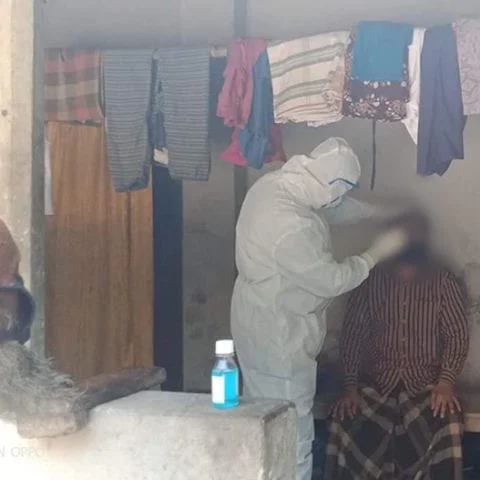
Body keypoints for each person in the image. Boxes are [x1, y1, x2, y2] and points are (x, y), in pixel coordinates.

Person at [231, 137, 410, 480]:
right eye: (341, 191)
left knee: (263, 417)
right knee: (291, 428)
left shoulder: (278, 186)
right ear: (331, 184)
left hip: (258, 313)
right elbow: (333, 280)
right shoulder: (289, 225)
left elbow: (331, 206)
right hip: (279, 332)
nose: (339, 199)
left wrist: (376, 212)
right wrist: (376, 253)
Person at [325, 214, 469, 479]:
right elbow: (353, 334)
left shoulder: (443, 281)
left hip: (426, 387)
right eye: (404, 236)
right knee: (344, 418)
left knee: (448, 421)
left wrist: (446, 382)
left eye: (415, 236)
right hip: (378, 386)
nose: (410, 242)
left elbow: (456, 335)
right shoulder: (369, 282)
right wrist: (350, 387)